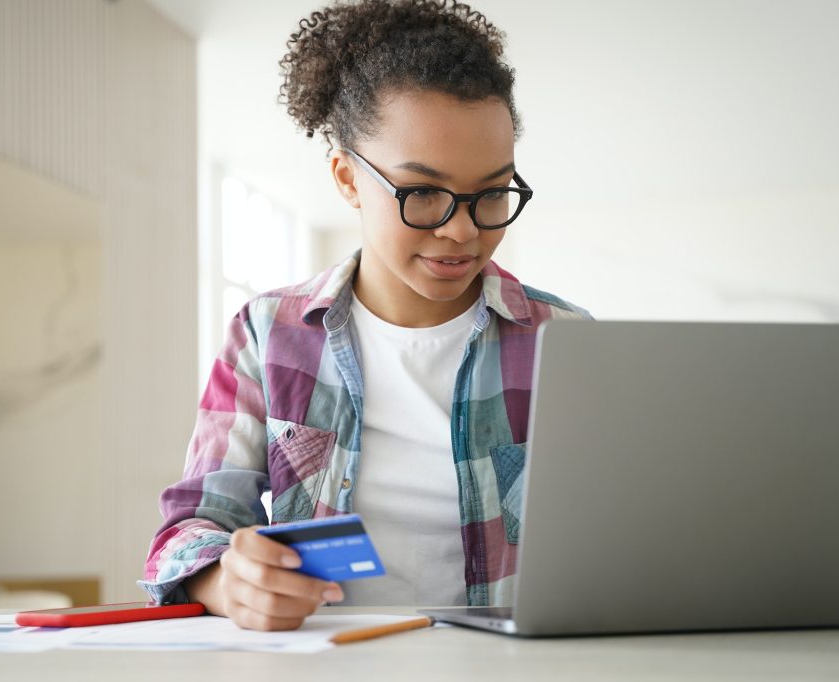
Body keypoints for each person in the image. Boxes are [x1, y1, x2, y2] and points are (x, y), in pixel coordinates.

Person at [140, 0, 591, 632]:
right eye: (424, 193)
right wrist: (225, 579)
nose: (462, 230)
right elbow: (191, 527)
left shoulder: (566, 343)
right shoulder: (268, 333)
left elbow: (620, 538)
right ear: (348, 178)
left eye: (491, 193)